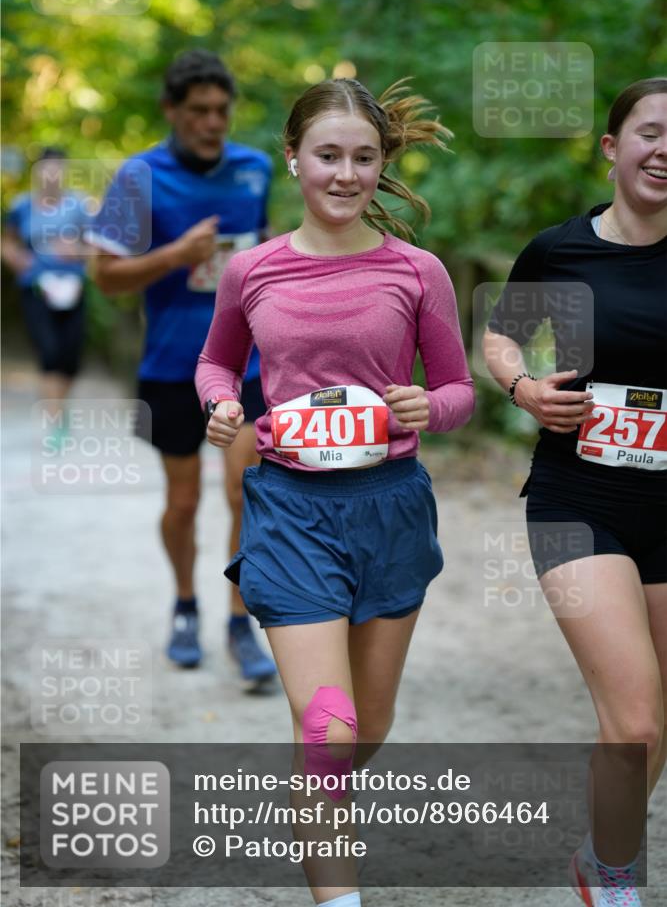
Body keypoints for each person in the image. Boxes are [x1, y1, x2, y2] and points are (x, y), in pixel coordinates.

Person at [196, 77, 475, 906]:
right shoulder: (251, 269)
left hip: (388, 507)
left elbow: (457, 391)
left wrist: (430, 406)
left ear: (382, 163)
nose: (345, 174)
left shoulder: (417, 271)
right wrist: (221, 401)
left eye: (362, 157)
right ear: (293, 160)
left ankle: (314, 801)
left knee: (364, 727)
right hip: (289, 510)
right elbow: (217, 359)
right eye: (327, 155)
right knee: (330, 728)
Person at [483, 78, 667, 907]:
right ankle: (618, 882)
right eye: (649, 133)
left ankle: (600, 855)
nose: (662, 152)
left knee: (654, 722)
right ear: (610, 148)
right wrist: (522, 387)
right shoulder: (561, 251)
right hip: (575, 496)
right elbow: (498, 334)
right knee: (631, 721)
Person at [88, 50, 277, 685]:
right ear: (172, 111)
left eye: (222, 110)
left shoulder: (255, 169)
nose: (213, 122)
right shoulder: (139, 175)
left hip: (247, 367)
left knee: (243, 492)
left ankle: (237, 619)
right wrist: (174, 255)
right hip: (171, 365)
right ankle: (185, 607)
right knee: (184, 501)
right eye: (199, 111)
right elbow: (105, 277)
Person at [2, 147, 89, 438]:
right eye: (46, 169)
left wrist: (76, 251)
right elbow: (8, 242)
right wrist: (18, 260)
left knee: (70, 357)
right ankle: (55, 423)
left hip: (73, 288)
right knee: (49, 351)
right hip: (37, 288)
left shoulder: (78, 207)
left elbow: (96, 248)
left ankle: (58, 407)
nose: (51, 175)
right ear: (37, 172)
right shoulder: (22, 206)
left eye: (57, 168)